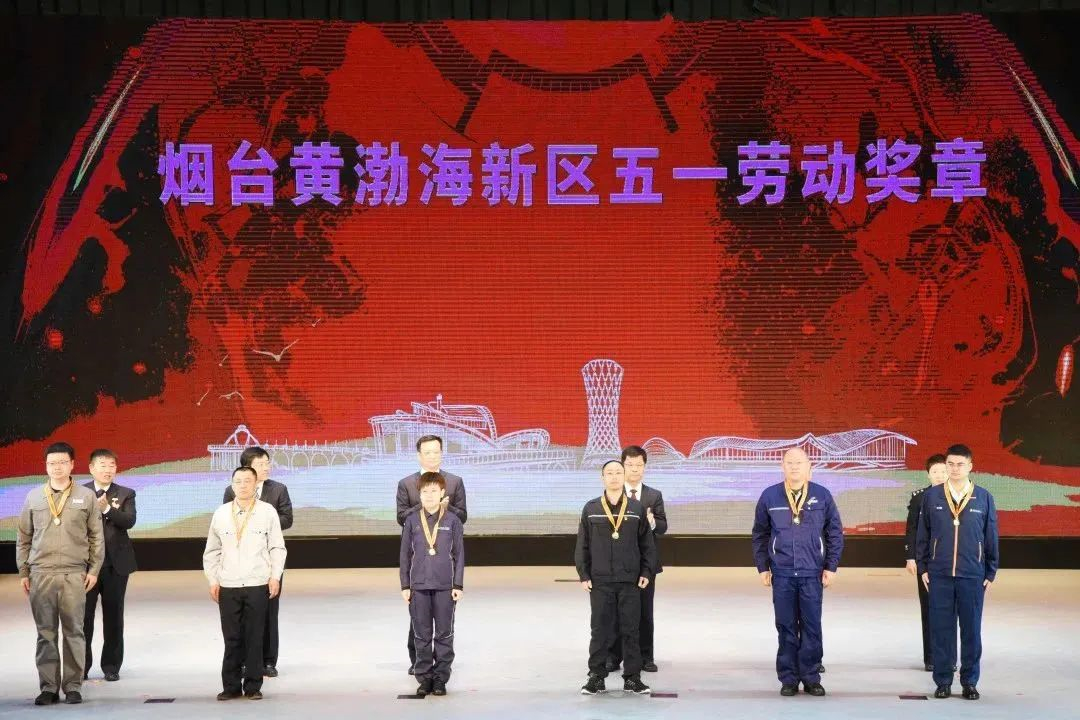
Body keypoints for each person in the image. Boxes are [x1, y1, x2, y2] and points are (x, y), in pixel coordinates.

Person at [16, 442, 104, 706]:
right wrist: (24, 571)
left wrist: (94, 570)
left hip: (73, 574)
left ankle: (73, 686)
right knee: (45, 633)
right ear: (46, 466)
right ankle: (49, 688)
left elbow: (96, 537)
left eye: (62, 462)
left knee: (74, 631)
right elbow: (24, 537)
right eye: (52, 463)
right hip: (40, 573)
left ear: (72, 464)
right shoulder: (33, 497)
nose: (57, 467)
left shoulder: (86, 497)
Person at [751, 447, 843, 697]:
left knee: (812, 626)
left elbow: (835, 533)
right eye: (789, 463)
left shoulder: (822, 495)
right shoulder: (770, 496)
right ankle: (789, 678)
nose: (794, 467)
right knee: (786, 626)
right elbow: (760, 534)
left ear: (809, 466)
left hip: (812, 572)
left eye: (799, 462)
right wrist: (763, 567)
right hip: (782, 572)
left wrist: (831, 566)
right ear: (782, 466)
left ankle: (811, 677)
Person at [916, 444, 998, 701]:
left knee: (971, 631)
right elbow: (923, 534)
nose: (954, 468)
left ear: (970, 466)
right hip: (939, 574)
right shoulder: (932, 497)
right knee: (942, 630)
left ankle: (970, 681)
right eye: (950, 464)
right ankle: (942, 681)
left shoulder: (983, 497)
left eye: (960, 464)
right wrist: (923, 567)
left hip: (972, 575)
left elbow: (991, 535)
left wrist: (990, 571)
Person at [205, 466, 287, 701]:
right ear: (232, 485)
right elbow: (212, 551)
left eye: (247, 481)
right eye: (238, 481)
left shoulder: (267, 512)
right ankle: (230, 686)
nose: (242, 485)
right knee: (231, 637)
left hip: (257, 582)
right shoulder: (221, 513)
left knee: (254, 636)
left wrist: (275, 576)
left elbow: (277, 547)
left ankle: (253, 686)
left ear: (255, 485)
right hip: (228, 584)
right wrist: (213, 579)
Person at [575, 460, 656, 696]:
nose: (614, 477)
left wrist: (646, 571)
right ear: (602, 478)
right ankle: (596, 677)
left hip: (630, 580)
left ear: (624, 476)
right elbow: (582, 544)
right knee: (600, 630)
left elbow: (647, 544)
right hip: (600, 580)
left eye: (618, 472)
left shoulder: (636, 508)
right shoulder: (591, 508)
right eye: (609, 473)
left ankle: (632, 678)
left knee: (631, 629)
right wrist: (583, 574)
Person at [396, 435, 467, 673]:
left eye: (436, 452)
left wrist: (445, 506)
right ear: (419, 455)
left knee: (443, 622)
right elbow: (401, 517)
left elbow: (462, 516)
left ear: (442, 453)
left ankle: (440, 667)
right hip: (419, 556)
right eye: (427, 452)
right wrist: (427, 503)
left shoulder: (454, 482)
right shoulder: (407, 484)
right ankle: (418, 663)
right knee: (419, 620)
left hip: (443, 558)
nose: (432, 456)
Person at [222, 446, 292, 678]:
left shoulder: (278, 489)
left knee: (269, 611)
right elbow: (228, 519)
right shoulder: (231, 491)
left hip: (268, 560)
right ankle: (244, 662)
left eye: (267, 463)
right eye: (261, 464)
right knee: (241, 615)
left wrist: (262, 520)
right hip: (240, 562)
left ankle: (268, 661)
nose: (266, 467)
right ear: (247, 467)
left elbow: (287, 519)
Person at [607, 445, 666, 673]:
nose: (634, 469)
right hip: (617, 563)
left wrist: (652, 522)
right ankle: (613, 657)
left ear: (645, 467)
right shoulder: (612, 493)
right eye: (630, 465)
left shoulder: (654, 495)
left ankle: (646, 657)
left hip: (645, 564)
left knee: (644, 611)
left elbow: (663, 527)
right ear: (623, 466)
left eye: (639, 465)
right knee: (615, 611)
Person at [81, 448, 136, 683]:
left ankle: (111, 666)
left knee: (114, 616)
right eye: (102, 465)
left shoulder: (125, 493)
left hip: (116, 565)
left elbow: (129, 521)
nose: (108, 470)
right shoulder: (79, 493)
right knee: (83, 618)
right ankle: (81, 666)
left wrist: (106, 509)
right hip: (86, 566)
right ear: (91, 468)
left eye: (112, 465)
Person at [905, 453, 947, 672]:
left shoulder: (959, 496)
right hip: (927, 562)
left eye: (943, 471)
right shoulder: (919, 498)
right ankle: (931, 657)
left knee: (950, 611)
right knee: (929, 608)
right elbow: (912, 529)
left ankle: (948, 657)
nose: (939, 475)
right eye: (935, 471)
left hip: (951, 561)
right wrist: (911, 557)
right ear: (928, 474)